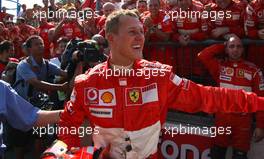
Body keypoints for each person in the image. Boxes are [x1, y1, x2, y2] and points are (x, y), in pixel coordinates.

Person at [58, 9, 264, 159]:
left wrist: (260, 103)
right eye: (132, 32)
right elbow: (68, 127)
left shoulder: (158, 76)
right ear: (111, 38)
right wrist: (93, 152)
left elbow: (207, 96)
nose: (141, 36)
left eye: (141, 30)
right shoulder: (87, 83)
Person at [198, 35, 264, 159]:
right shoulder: (220, 67)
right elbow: (203, 55)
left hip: (243, 122)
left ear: (243, 49)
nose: (235, 49)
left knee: (240, 156)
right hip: (222, 119)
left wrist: (261, 126)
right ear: (226, 49)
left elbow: (261, 99)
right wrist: (222, 46)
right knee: (217, 154)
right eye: (231, 46)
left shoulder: (254, 70)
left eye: (239, 46)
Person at [0, 80, 62, 158]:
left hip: (29, 107)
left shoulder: (2, 88)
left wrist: (69, 112)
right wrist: (62, 87)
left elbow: (31, 116)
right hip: (23, 110)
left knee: (37, 138)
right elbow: (35, 82)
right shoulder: (23, 67)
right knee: (19, 143)